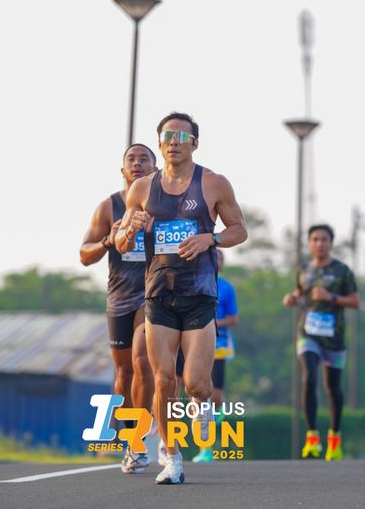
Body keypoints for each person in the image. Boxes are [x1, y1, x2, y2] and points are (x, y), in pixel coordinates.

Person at [116, 112, 247, 485]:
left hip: (200, 295)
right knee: (163, 381)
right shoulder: (141, 189)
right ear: (160, 143)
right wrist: (129, 230)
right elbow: (122, 242)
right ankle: (172, 458)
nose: (174, 141)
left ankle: (201, 405)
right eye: (167, 136)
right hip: (158, 295)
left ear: (195, 143)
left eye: (181, 136)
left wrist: (211, 238)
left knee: (196, 384)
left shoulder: (213, 183)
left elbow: (239, 230)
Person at [80, 143, 157, 474]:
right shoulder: (108, 206)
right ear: (123, 170)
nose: (137, 163)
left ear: (155, 169)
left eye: (144, 159)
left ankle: (142, 437)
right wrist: (108, 241)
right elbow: (84, 254)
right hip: (120, 297)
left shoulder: (164, 204)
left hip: (153, 294)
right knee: (123, 373)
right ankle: (131, 439)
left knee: (143, 359)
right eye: (131, 159)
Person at [282, 224, 360, 461]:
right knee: (309, 378)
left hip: (334, 337)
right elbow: (300, 294)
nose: (319, 243)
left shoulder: (342, 271)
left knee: (332, 388)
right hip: (308, 334)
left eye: (324, 239)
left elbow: (355, 301)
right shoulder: (304, 270)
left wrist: (331, 297)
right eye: (315, 239)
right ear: (309, 243)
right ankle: (312, 438)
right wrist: (292, 298)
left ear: (331, 243)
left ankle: (334, 439)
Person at [192, 249, 239, 463]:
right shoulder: (193, 282)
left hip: (219, 344)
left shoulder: (227, 288)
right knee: (200, 396)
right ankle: (205, 448)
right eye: (212, 257)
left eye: (219, 258)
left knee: (216, 396)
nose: (215, 261)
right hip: (195, 343)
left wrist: (213, 323)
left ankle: (216, 412)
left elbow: (234, 319)